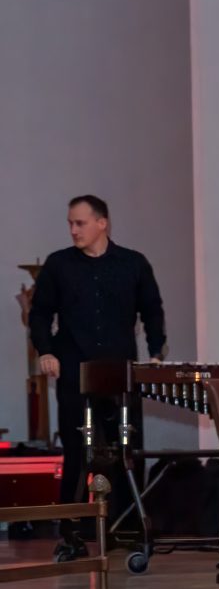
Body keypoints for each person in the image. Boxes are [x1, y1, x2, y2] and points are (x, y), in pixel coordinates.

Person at [28, 195, 165, 560]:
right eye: (70, 224)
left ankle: (126, 527)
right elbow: (40, 314)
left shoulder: (133, 263)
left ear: (102, 223)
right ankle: (71, 532)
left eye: (80, 223)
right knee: (76, 452)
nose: (73, 230)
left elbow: (152, 310)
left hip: (119, 371)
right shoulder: (59, 264)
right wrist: (46, 351)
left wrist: (155, 353)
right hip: (74, 369)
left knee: (126, 449)